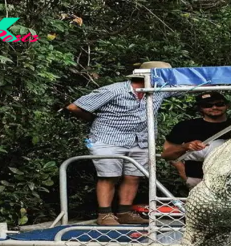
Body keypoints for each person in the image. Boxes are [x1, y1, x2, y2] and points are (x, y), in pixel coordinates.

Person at [66, 61, 174, 226]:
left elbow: (191, 87)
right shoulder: (114, 90)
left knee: (134, 176)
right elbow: (74, 107)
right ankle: (104, 215)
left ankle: (124, 213)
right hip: (108, 138)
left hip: (141, 139)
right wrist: (94, 120)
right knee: (109, 176)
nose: (167, 79)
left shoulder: (159, 91)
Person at [161, 92, 231, 188]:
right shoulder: (185, 126)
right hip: (199, 180)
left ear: (227, 105)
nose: (214, 107)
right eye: (207, 105)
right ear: (199, 108)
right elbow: (166, 154)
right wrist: (184, 148)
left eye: (219, 104)